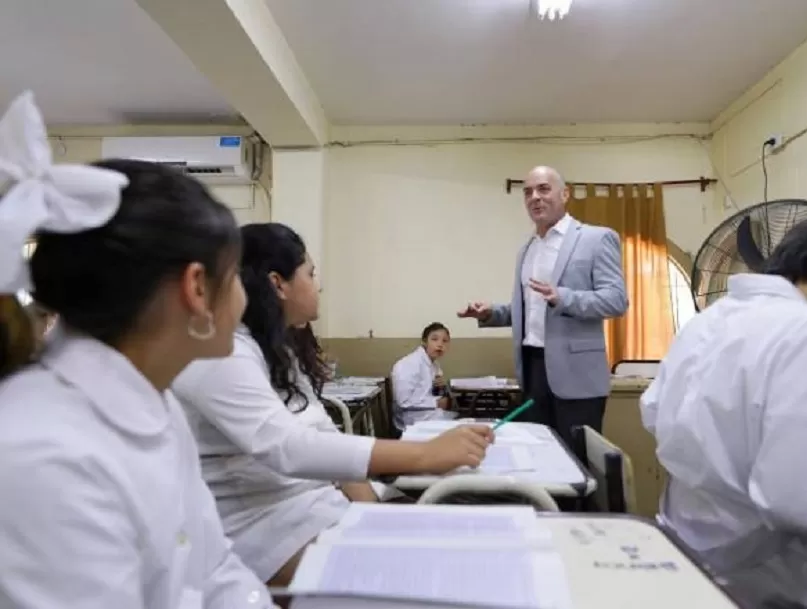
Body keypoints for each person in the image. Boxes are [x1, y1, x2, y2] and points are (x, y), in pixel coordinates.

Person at [0, 92, 274, 608]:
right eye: (236, 275)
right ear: (197, 288)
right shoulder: (42, 453)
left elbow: (215, 571)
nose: (245, 296)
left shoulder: (157, 403)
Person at [172, 223, 494, 588]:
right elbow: (287, 448)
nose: (318, 284)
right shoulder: (221, 354)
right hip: (264, 529)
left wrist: (375, 517)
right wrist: (423, 455)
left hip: (313, 505)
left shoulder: (276, 349)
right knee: (430, 575)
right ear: (278, 284)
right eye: (310, 273)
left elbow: (326, 438)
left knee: (458, 537)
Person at [640, 208, 807, 608]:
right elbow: (798, 505)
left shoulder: (711, 320)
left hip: (691, 548)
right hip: (769, 575)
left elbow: (653, 411)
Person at [458, 165, 628, 449]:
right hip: (532, 370)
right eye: (528, 192)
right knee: (538, 458)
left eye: (543, 189)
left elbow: (616, 300)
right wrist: (491, 313)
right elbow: (528, 311)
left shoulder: (596, 238)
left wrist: (564, 297)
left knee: (577, 464)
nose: (534, 197)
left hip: (577, 377)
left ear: (565, 194)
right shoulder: (527, 249)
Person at [391, 321, 457, 430]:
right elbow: (403, 401)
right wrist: (436, 402)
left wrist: (441, 388)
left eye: (445, 341)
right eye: (434, 339)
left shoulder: (434, 364)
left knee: (462, 418)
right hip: (411, 419)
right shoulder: (409, 364)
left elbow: (429, 392)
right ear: (424, 342)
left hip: (427, 413)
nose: (440, 344)